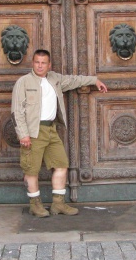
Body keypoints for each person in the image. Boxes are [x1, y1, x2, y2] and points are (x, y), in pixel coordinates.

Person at [11, 49, 108, 217]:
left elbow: (74, 80)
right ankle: (35, 205)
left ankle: (58, 204)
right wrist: (23, 134)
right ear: (33, 63)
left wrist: (95, 80)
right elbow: (17, 110)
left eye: (43, 63)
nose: (40, 66)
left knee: (61, 165)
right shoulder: (23, 82)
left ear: (49, 65)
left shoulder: (55, 79)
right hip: (33, 132)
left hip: (51, 130)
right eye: (37, 62)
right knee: (31, 170)